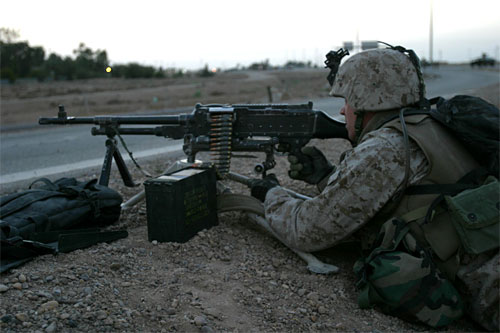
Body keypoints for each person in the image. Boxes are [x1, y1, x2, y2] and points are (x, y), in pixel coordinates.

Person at [249, 47, 499, 330]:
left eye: (347, 100)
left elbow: (307, 229)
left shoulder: (388, 147)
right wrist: (325, 177)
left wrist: (271, 194)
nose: (343, 110)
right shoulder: (427, 125)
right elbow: (406, 198)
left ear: (368, 101)